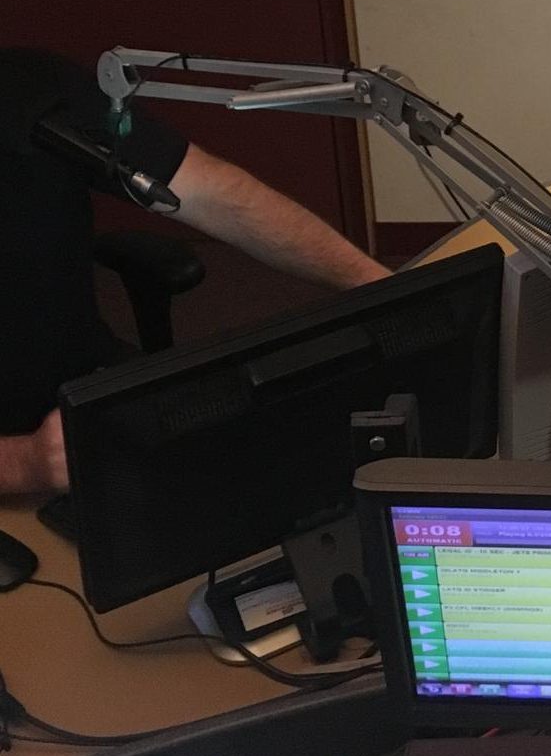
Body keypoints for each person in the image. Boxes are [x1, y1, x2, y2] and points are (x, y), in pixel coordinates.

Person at [0, 46, 392, 494]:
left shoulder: (28, 86)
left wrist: (378, 285)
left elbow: (215, 196)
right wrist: (24, 463)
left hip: (90, 393)